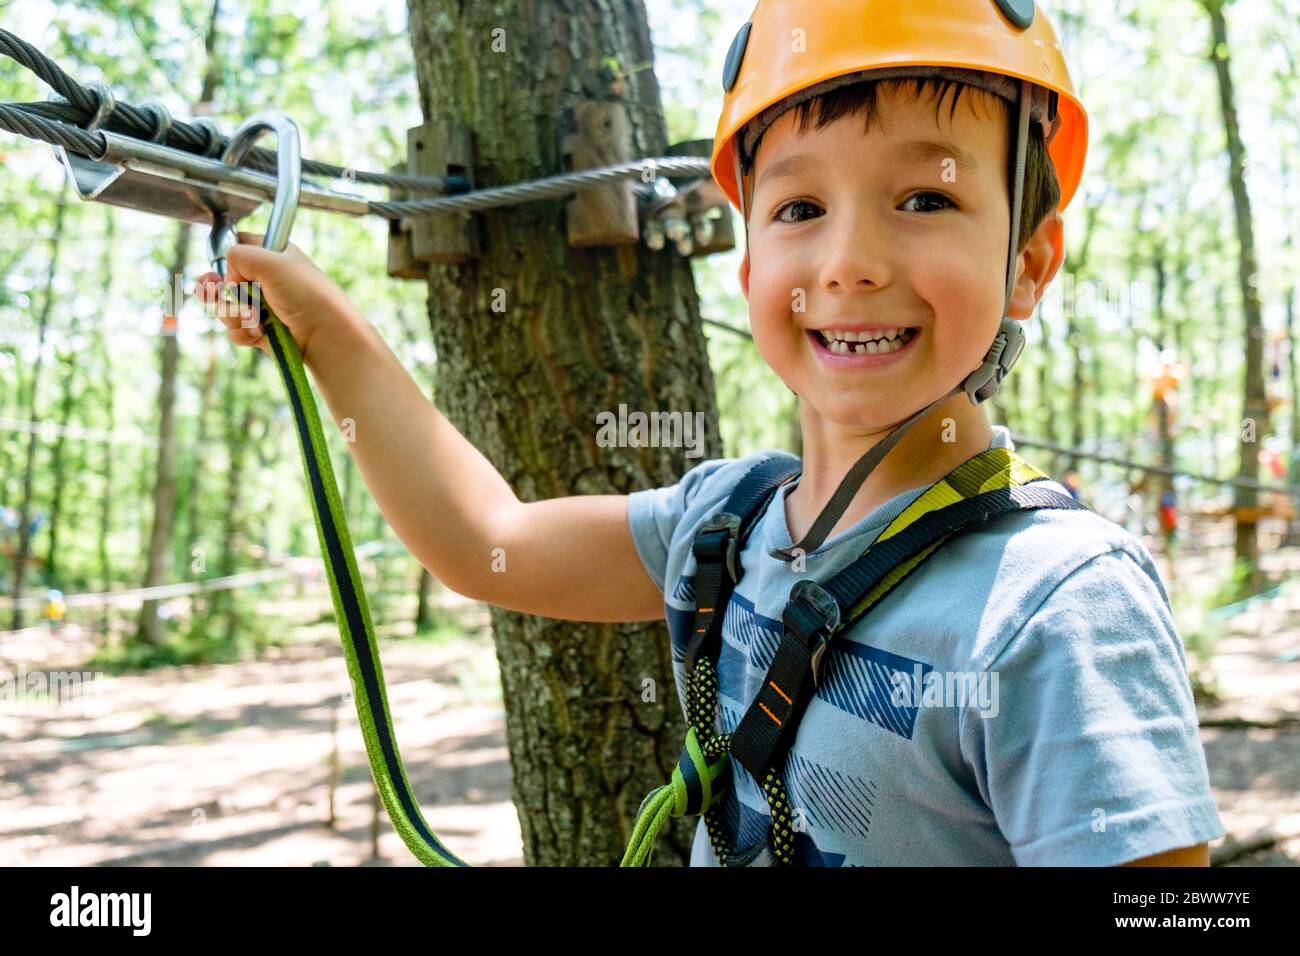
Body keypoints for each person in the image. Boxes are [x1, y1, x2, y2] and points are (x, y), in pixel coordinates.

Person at [196, 0, 1222, 867]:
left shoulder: (1055, 607)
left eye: (925, 196)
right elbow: (482, 538)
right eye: (799, 207)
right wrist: (319, 324)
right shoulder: (724, 526)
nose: (849, 259)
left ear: (1030, 260)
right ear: (747, 267)